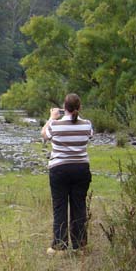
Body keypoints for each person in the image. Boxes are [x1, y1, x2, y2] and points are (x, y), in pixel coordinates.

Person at [40, 93, 93, 255]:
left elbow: (44, 134)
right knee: (79, 206)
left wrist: (51, 117)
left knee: (60, 206)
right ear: (79, 107)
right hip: (81, 169)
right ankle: (80, 246)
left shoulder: (55, 125)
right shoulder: (87, 124)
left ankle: (59, 245)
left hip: (59, 169)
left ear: (64, 107)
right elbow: (89, 134)